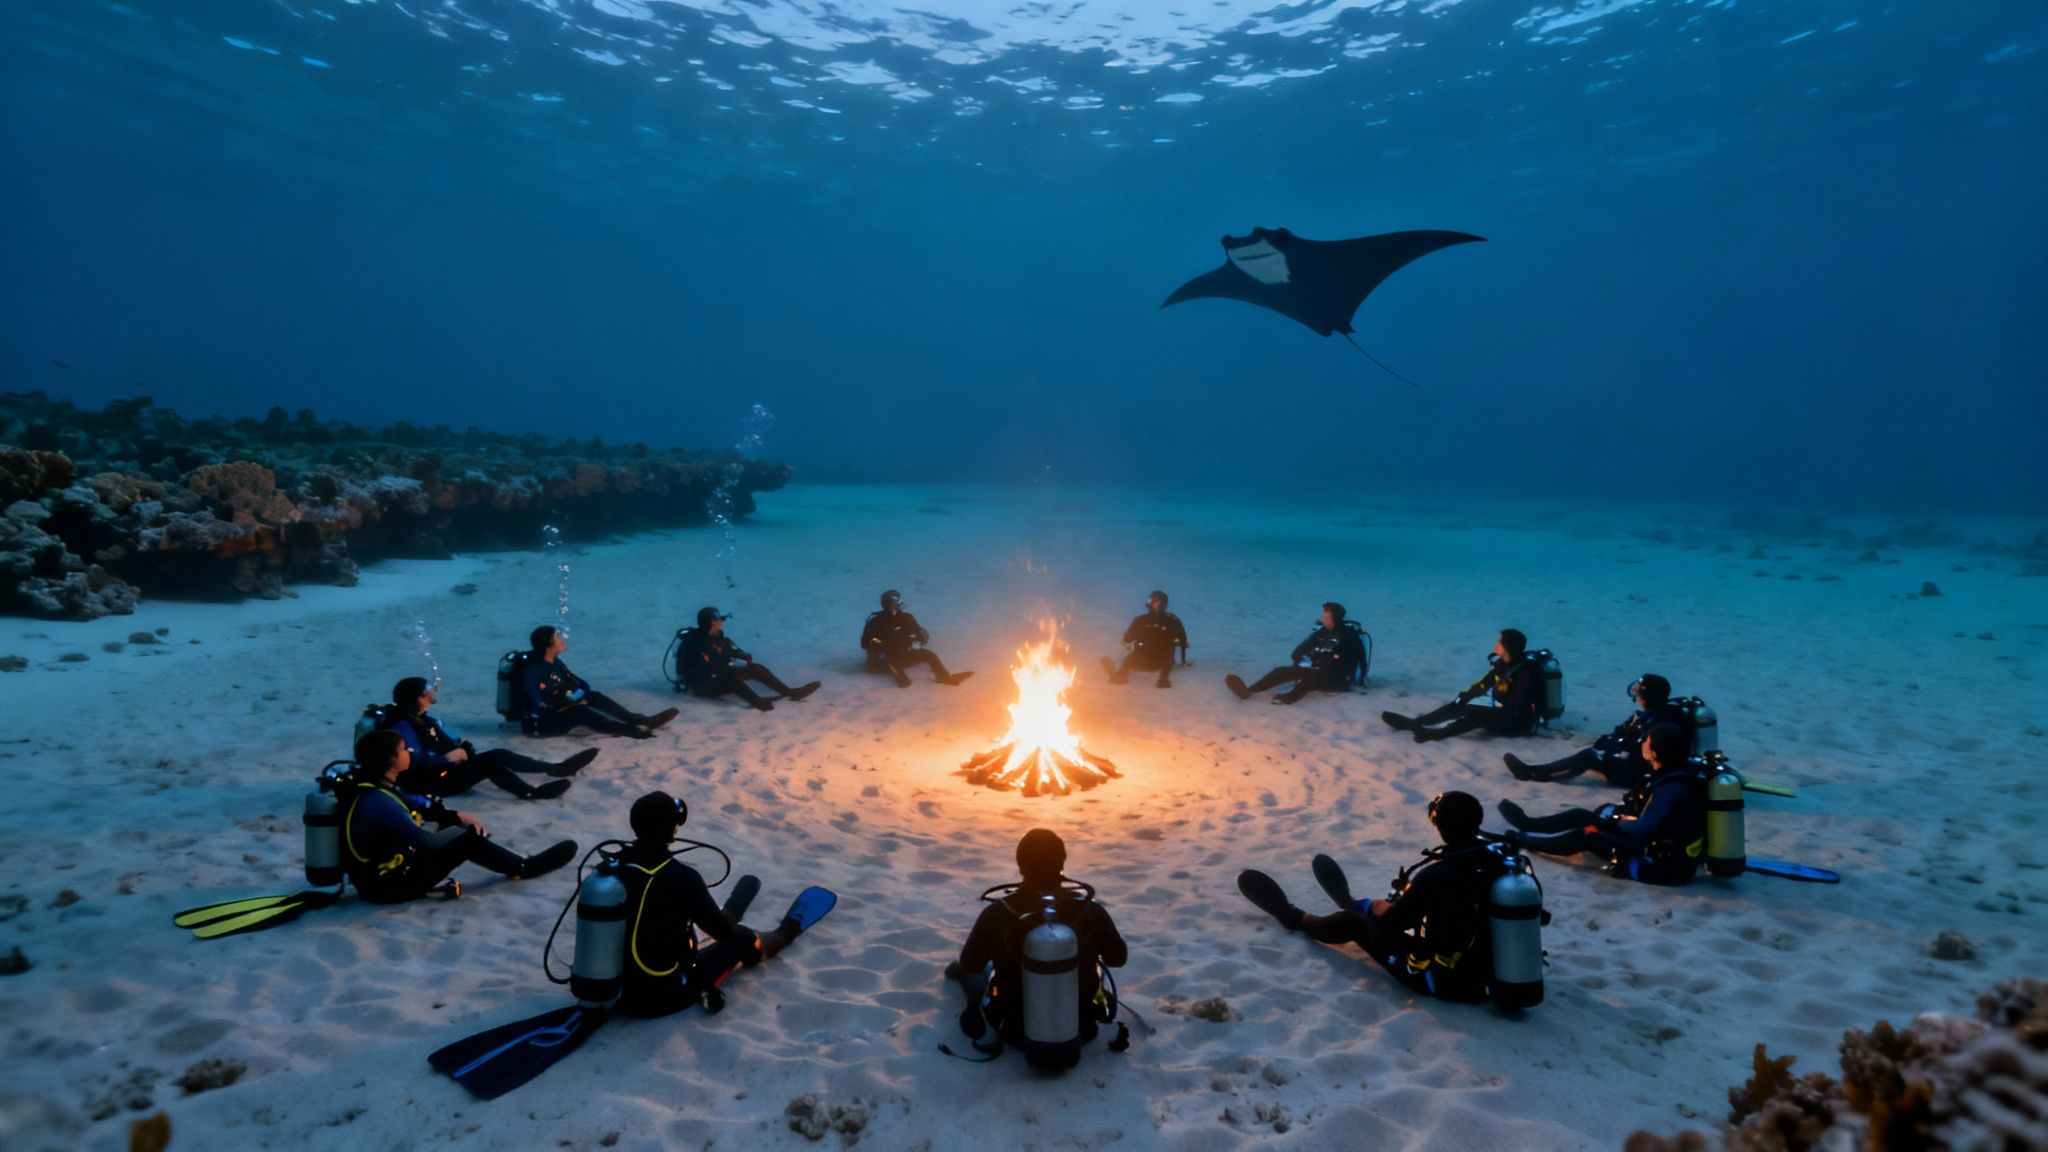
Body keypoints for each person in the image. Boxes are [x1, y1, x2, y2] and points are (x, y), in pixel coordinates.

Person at [1236, 792, 1499, 1002]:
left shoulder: (1436, 875)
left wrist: (1379, 907)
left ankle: (1294, 917)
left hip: (1444, 982)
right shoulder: (1501, 861)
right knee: (1393, 908)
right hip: (1489, 976)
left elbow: (1391, 924)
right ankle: (1350, 902)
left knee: (1352, 922)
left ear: (1440, 826)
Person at [612, 791, 811, 1018]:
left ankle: (727, 913)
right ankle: (784, 934)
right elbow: (724, 932)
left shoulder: (615, 867)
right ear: (672, 829)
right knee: (743, 937)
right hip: (664, 996)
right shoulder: (681, 877)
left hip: (623, 992)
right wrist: (726, 920)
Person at [342, 730, 576, 903]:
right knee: (466, 841)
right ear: (391, 760)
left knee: (456, 829)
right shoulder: (377, 799)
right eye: (403, 749)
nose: (408, 753)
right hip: (389, 887)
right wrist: (462, 832)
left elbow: (414, 807)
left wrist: (453, 816)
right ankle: (524, 867)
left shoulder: (376, 786)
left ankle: (509, 857)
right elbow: (426, 841)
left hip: (385, 876)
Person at [948, 829, 1128, 1051]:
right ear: (1062, 863)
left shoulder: (997, 913)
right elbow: (1118, 959)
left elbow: (970, 965)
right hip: (1082, 1031)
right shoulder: (1090, 911)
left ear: (1020, 865)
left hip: (1013, 1031)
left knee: (973, 971)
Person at [1496, 723, 1707, 885]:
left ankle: (1523, 839)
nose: (1642, 742)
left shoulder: (1669, 789)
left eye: (1647, 740)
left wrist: (1607, 825)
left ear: (1655, 752)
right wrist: (1609, 818)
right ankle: (1527, 824)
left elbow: (1644, 831)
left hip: (1660, 866)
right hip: (1663, 852)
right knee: (1588, 815)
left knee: (1587, 835)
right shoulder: (1676, 773)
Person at [385, 677, 593, 801]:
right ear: (417, 698)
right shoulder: (402, 725)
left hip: (441, 771)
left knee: (498, 755)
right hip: (431, 783)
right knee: (491, 765)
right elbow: (409, 759)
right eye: (426, 691)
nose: (432, 693)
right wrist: (445, 759)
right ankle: (530, 793)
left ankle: (555, 768)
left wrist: (462, 749)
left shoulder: (422, 719)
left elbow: (444, 742)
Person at [1505, 674, 1682, 786]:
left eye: (1638, 690)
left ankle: (1535, 773)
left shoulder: (1655, 723)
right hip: (1631, 761)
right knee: (1594, 753)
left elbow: (1638, 753)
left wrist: (1607, 752)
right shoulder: (1649, 715)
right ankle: (1538, 769)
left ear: (1646, 696)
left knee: (1590, 756)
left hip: (1638, 774)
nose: (1635, 693)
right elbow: (1620, 735)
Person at [518, 626, 678, 738]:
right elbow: (538, 703)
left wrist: (578, 695)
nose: (562, 639)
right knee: (579, 712)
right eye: (557, 637)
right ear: (548, 646)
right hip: (540, 724)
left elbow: (579, 684)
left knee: (593, 696)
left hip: (559, 707)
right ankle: (630, 730)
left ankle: (639, 720)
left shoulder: (555, 662)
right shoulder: (533, 670)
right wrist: (572, 700)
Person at [1381, 628, 1539, 742]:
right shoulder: (1503, 665)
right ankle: (1415, 723)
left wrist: (1489, 709)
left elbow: (1518, 706)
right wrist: (1464, 697)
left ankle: (1435, 734)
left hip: (1518, 723)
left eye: (1499, 641)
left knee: (1476, 713)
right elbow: (1483, 684)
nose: (1496, 644)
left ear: (1507, 647)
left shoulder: (1524, 671)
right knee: (1462, 704)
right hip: (1503, 713)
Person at [677, 607, 820, 712]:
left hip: (722, 675)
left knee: (756, 669)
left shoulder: (720, 638)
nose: (721, 622)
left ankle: (790, 692)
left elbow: (732, 649)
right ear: (710, 622)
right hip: (703, 687)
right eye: (717, 619)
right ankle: (756, 700)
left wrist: (743, 655)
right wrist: (723, 663)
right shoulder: (695, 643)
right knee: (731, 675)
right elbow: (699, 669)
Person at [1224, 601, 1365, 705]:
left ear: (1334, 618)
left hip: (1338, 679)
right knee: (1302, 676)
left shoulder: (1348, 635)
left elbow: (1360, 658)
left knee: (1293, 674)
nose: (1323, 618)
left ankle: (1257, 693)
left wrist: (1361, 680)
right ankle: (1257, 692)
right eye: (1323, 615)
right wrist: (1298, 655)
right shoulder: (1324, 631)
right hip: (1323, 673)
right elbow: (1305, 645)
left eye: (1326, 616)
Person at [860, 590, 972, 687]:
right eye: (890, 602)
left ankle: (943, 677)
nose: (893, 606)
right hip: (883, 657)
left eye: (895, 602)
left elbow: (920, 635)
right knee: (898, 673)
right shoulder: (875, 621)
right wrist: (878, 644)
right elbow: (864, 643)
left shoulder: (907, 618)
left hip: (904, 653)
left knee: (929, 655)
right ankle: (900, 678)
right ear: (884, 604)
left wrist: (917, 640)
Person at [1100, 590, 1188, 688]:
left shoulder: (1171, 620)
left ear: (1163, 604)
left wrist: (1183, 660)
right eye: (1151, 601)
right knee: (1136, 654)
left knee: (1166, 650)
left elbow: (1182, 640)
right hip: (1145, 661)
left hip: (1158, 661)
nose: (1153, 604)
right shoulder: (1140, 620)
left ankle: (1163, 678)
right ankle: (1120, 674)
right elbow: (1127, 639)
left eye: (1156, 601)